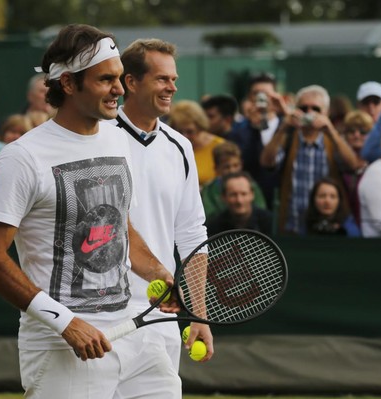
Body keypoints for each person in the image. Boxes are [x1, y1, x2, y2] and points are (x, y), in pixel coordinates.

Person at [0, 24, 183, 399]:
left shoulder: (118, 140)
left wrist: (159, 273)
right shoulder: (22, 157)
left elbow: (120, 227)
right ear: (68, 83)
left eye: (119, 78)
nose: (120, 89)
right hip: (62, 347)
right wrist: (66, 323)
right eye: (106, 79)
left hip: (137, 336)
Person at [111, 38, 213, 374]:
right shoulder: (97, 138)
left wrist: (198, 313)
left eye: (173, 79)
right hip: (100, 313)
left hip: (163, 315)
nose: (172, 86)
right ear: (131, 82)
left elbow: (191, 234)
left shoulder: (181, 148)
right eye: (162, 79)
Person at [260, 84, 360, 235]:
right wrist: (283, 127)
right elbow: (267, 162)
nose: (309, 113)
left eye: (315, 109)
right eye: (304, 108)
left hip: (328, 230)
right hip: (292, 227)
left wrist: (330, 130)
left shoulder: (332, 140)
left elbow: (352, 165)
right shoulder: (289, 138)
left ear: (325, 112)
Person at [229, 72, 290, 209]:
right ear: (250, 97)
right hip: (250, 204)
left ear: (276, 96)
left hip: (283, 202)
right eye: (256, 93)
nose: (262, 98)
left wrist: (285, 112)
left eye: (267, 94)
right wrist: (251, 127)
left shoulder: (287, 127)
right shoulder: (240, 130)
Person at [201, 141, 266, 219]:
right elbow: (209, 216)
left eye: (236, 165)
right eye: (226, 167)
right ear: (216, 168)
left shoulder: (251, 185)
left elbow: (261, 212)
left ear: (241, 164)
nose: (232, 171)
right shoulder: (208, 190)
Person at [168, 100, 226, 187]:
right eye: (179, 132)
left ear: (200, 126)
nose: (185, 136)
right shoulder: (172, 148)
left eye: (190, 131)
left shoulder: (219, 146)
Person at [206, 171, 273, 236]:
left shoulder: (271, 223)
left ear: (252, 194)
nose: (239, 201)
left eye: (244, 194)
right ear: (223, 197)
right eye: (233, 195)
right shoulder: (214, 227)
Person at [337, 110, 373, 224]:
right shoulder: (336, 160)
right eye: (351, 131)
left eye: (363, 131)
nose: (357, 135)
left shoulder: (377, 162)